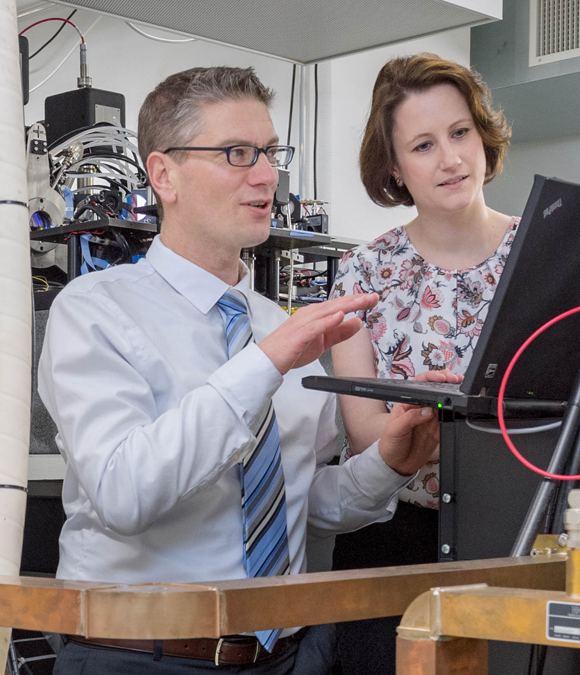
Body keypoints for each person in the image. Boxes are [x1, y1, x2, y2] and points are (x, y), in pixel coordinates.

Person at [39, 66, 452, 675]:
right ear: (164, 175)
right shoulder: (94, 310)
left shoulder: (276, 328)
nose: (267, 176)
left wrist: (389, 465)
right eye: (237, 153)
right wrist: (263, 364)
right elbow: (124, 493)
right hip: (138, 658)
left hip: (289, 656)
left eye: (269, 152)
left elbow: (299, 507)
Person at [330, 53, 520, 675]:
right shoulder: (362, 273)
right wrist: (417, 422)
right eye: (423, 144)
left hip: (520, 539)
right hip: (396, 545)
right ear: (394, 168)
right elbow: (363, 434)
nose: (451, 158)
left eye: (460, 132)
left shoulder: (542, 251)